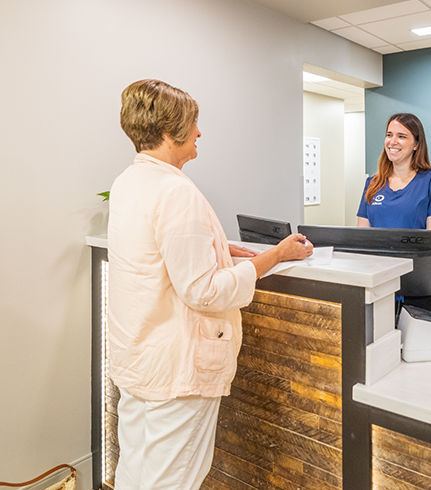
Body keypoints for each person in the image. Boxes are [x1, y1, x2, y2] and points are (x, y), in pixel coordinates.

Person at [107, 79, 313, 490]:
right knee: (171, 482)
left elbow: (158, 255)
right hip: (176, 372)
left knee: (134, 473)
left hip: (139, 362)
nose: (199, 132)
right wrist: (274, 257)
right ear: (169, 133)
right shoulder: (175, 191)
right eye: (193, 123)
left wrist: (220, 247)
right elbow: (204, 291)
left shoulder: (128, 183)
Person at [357, 112, 431, 305]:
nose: (393, 141)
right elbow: (362, 236)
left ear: (416, 144)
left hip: (418, 283)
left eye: (402, 136)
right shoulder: (373, 183)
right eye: (389, 134)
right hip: (379, 280)